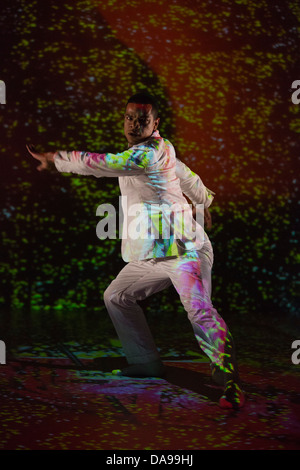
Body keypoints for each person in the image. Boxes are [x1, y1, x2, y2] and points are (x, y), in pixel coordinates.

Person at [27, 92, 245, 409]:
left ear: (155, 123)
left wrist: (57, 159)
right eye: (130, 117)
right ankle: (146, 362)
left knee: (199, 311)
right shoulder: (164, 151)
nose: (134, 123)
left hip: (186, 251)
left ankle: (230, 383)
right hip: (151, 254)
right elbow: (188, 176)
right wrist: (203, 201)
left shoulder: (149, 153)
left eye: (142, 119)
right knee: (116, 296)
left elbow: (100, 164)